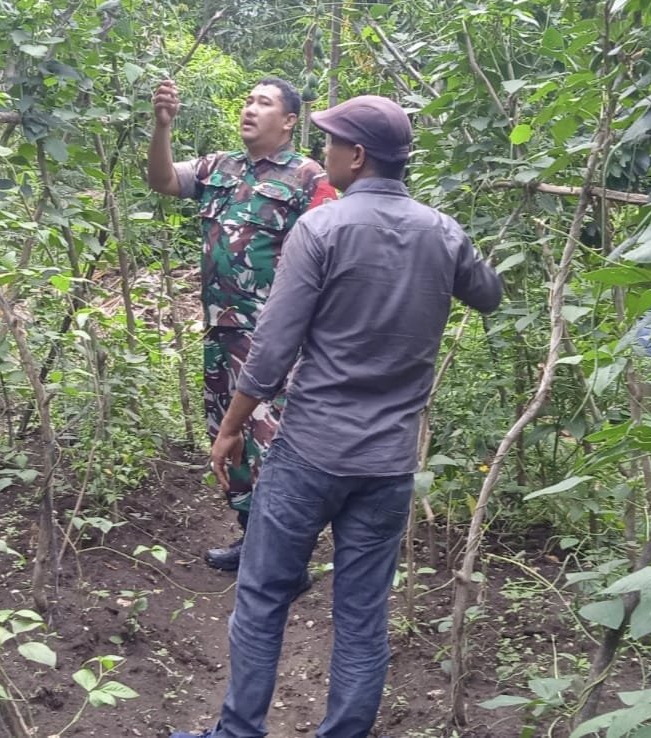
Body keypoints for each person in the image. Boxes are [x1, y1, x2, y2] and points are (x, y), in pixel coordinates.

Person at [171, 95, 503, 738]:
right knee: (362, 614)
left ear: (357, 156)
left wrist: (232, 426)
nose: (323, 154)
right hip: (388, 462)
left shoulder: (321, 229)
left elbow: (272, 348)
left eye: (330, 143)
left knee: (263, 594)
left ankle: (238, 732)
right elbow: (487, 294)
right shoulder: (441, 231)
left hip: (310, 451)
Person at [147, 76, 337, 571]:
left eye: (264, 103)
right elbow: (163, 180)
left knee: (270, 441)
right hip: (221, 332)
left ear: (289, 121)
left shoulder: (309, 178)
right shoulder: (218, 167)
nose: (250, 109)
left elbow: (330, 253)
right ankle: (252, 540)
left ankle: (286, 559)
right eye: (248, 101)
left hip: (275, 340)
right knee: (227, 437)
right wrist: (162, 127)